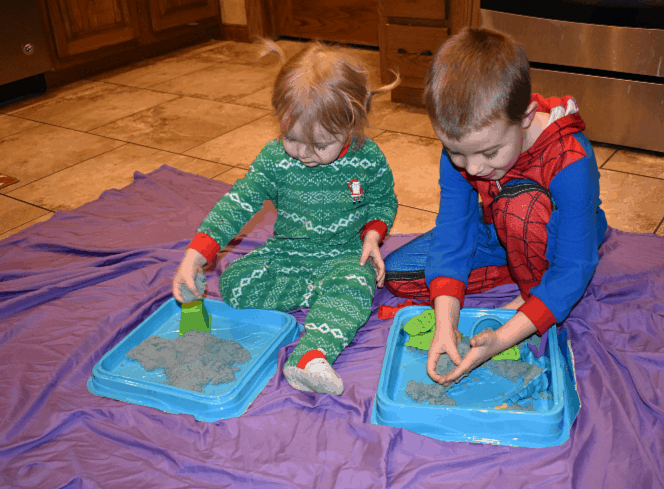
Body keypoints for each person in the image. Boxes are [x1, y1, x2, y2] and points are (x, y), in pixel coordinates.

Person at [173, 40, 400, 396]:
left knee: (358, 282)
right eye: (293, 139)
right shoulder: (274, 159)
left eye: (321, 145)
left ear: (351, 124)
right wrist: (195, 255)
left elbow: (383, 201)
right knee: (234, 282)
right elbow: (238, 202)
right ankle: (319, 295)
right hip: (286, 256)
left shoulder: (367, 157)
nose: (305, 154)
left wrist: (372, 235)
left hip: (343, 256)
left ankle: (310, 355)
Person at [383, 27, 608, 386]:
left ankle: (532, 293)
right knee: (399, 274)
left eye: (489, 153)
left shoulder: (570, 160)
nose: (472, 168)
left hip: (556, 235)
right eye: (456, 152)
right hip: (498, 232)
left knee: (522, 209)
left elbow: (573, 267)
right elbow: (453, 231)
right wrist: (445, 324)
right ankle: (518, 271)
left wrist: (503, 337)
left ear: (526, 116)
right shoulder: (466, 148)